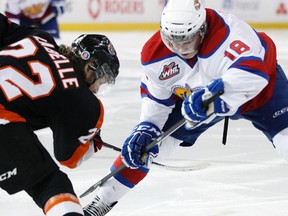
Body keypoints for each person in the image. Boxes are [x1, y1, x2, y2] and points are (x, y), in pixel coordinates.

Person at [83, 0, 287, 215]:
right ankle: (102, 201)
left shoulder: (230, 34)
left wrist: (211, 96)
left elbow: (255, 76)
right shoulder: (155, 55)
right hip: (200, 99)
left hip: (261, 92)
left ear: (203, 28)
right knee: (144, 147)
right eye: (173, 41)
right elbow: (157, 100)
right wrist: (146, 126)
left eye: (187, 40)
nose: (180, 49)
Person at [0, 13, 120, 216]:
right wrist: (91, 142)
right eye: (101, 80)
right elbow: (68, 157)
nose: (97, 89)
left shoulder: (40, 37)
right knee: (48, 183)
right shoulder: (83, 100)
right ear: (90, 67)